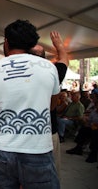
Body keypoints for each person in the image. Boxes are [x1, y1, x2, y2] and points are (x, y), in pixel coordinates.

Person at [0, 19, 61, 188]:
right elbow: (52, 104)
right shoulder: (49, 68)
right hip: (38, 149)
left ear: (6, 42)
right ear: (33, 43)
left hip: (3, 149)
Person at [30, 30, 69, 179]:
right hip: (48, 129)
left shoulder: (18, 73)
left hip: (24, 131)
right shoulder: (52, 72)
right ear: (44, 58)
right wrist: (59, 45)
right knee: (50, 173)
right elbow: (64, 59)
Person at [66, 97, 98, 163]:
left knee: (95, 134)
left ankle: (94, 153)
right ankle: (78, 148)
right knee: (83, 129)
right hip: (92, 127)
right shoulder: (94, 112)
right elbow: (90, 120)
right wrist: (86, 121)